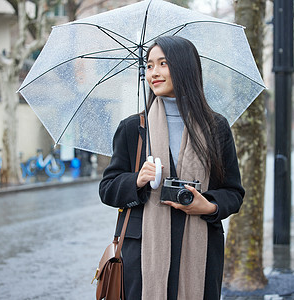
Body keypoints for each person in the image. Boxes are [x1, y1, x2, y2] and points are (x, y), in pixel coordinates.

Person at [99, 36, 244, 300]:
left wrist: (209, 206)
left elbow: (233, 192)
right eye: (149, 65)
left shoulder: (216, 128)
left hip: (200, 250)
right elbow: (107, 189)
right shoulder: (134, 128)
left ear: (184, 67)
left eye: (162, 64)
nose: (154, 72)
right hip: (144, 252)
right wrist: (136, 180)